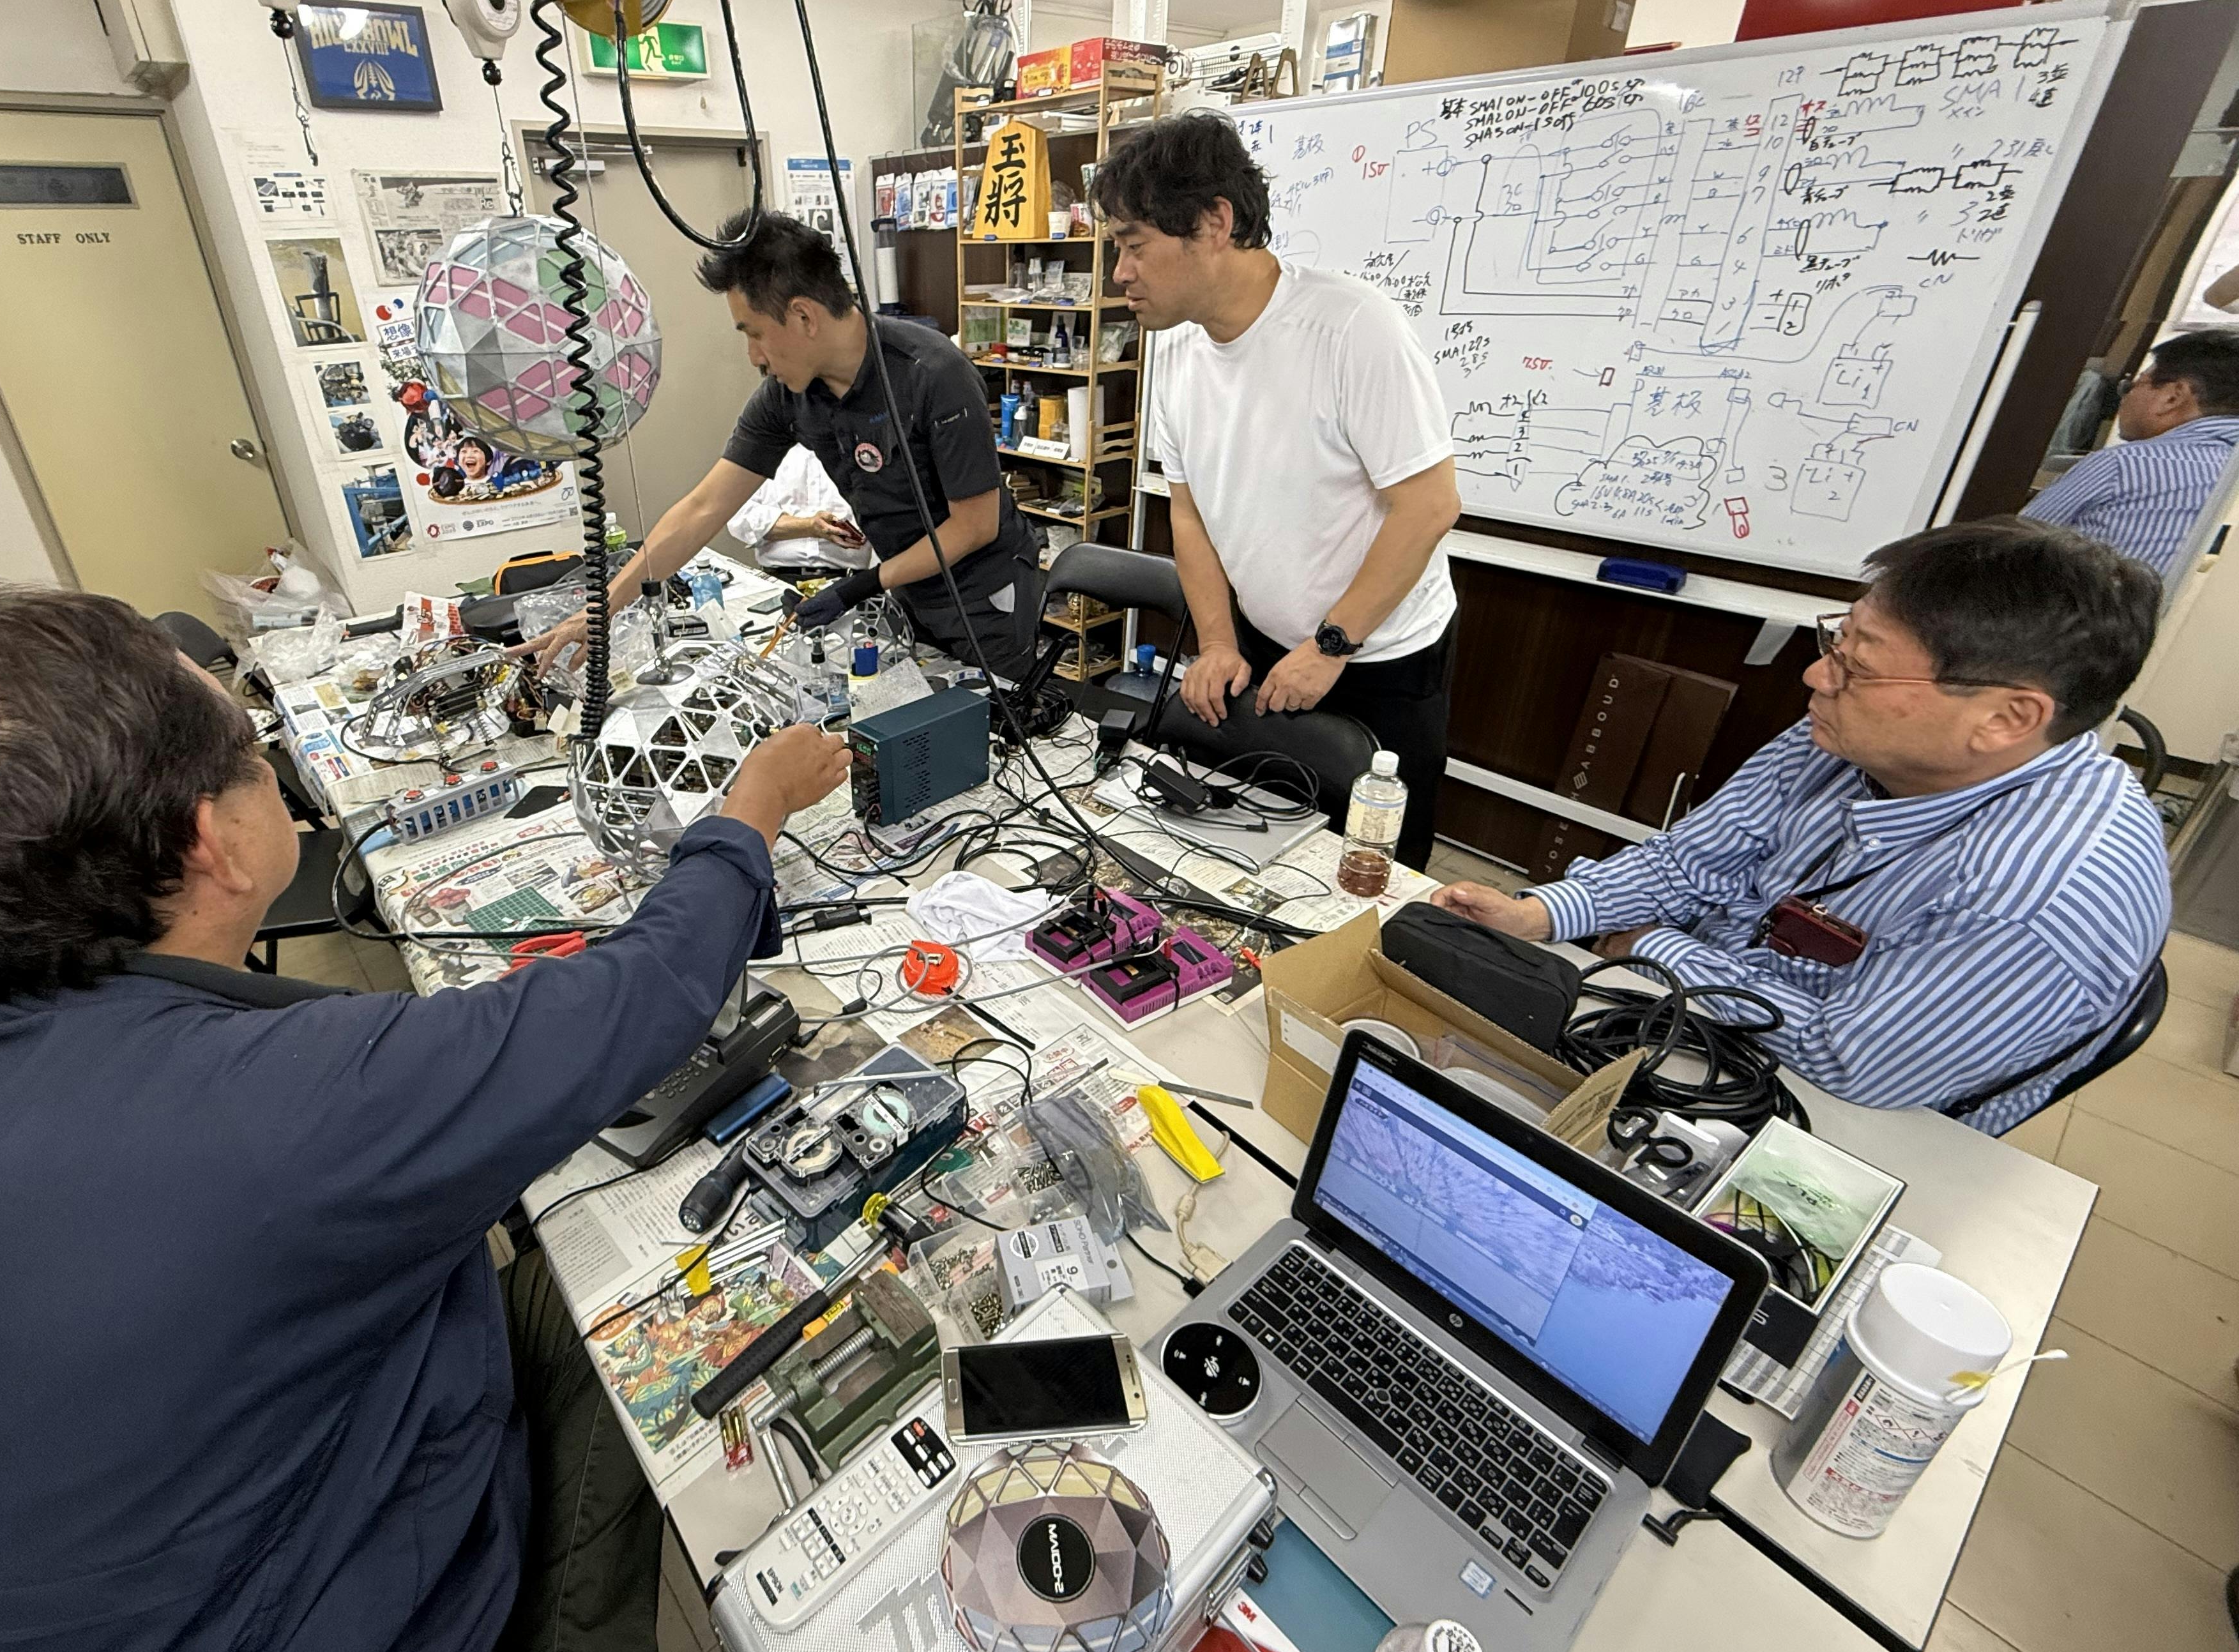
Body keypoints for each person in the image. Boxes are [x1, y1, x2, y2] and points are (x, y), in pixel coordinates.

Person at [0, 587, 848, 1652]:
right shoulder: (267, 1114)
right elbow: (646, 996)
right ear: (213, 843)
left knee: (623, 1268)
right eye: (256, 748)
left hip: (165, 1582)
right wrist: (751, 810)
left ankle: (562, 1642)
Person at [1431, 518, 2168, 1132]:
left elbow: (1855, 1060)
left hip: (1849, 1115)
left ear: (2008, 718)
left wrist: (1656, 948)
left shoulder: (2039, 900)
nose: (1819, 677)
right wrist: (1539, 914)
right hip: (1704, 1014)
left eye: (1859, 667)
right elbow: (1693, 861)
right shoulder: (1855, 733)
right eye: (1836, 645)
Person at [1088, 112, 1463, 872]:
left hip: (1377, 652)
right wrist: (1218, 642)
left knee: (1372, 868)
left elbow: (1429, 506)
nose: (1119, 273)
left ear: (1213, 223)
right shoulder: (1179, 353)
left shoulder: (1351, 328)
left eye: (1134, 245)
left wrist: (1331, 645)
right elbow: (1190, 514)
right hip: (1264, 639)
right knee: (1255, 840)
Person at [527, 211, 1044, 679]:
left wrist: (861, 585)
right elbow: (704, 508)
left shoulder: (931, 374)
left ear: (803, 317)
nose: (753, 355)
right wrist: (604, 609)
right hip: (908, 587)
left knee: (999, 728)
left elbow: (975, 526)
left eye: (754, 333)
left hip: (985, 595)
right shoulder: (788, 395)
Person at [2022, 328, 2239, 577]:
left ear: (2172, 397)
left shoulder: (2123, 465)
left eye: (2133, 386)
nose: (2124, 398)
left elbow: (2009, 556)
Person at [725, 443, 876, 578]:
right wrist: (809, 527)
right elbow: (739, 518)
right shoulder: (764, 451)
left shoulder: (865, 452)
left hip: (851, 582)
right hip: (778, 579)